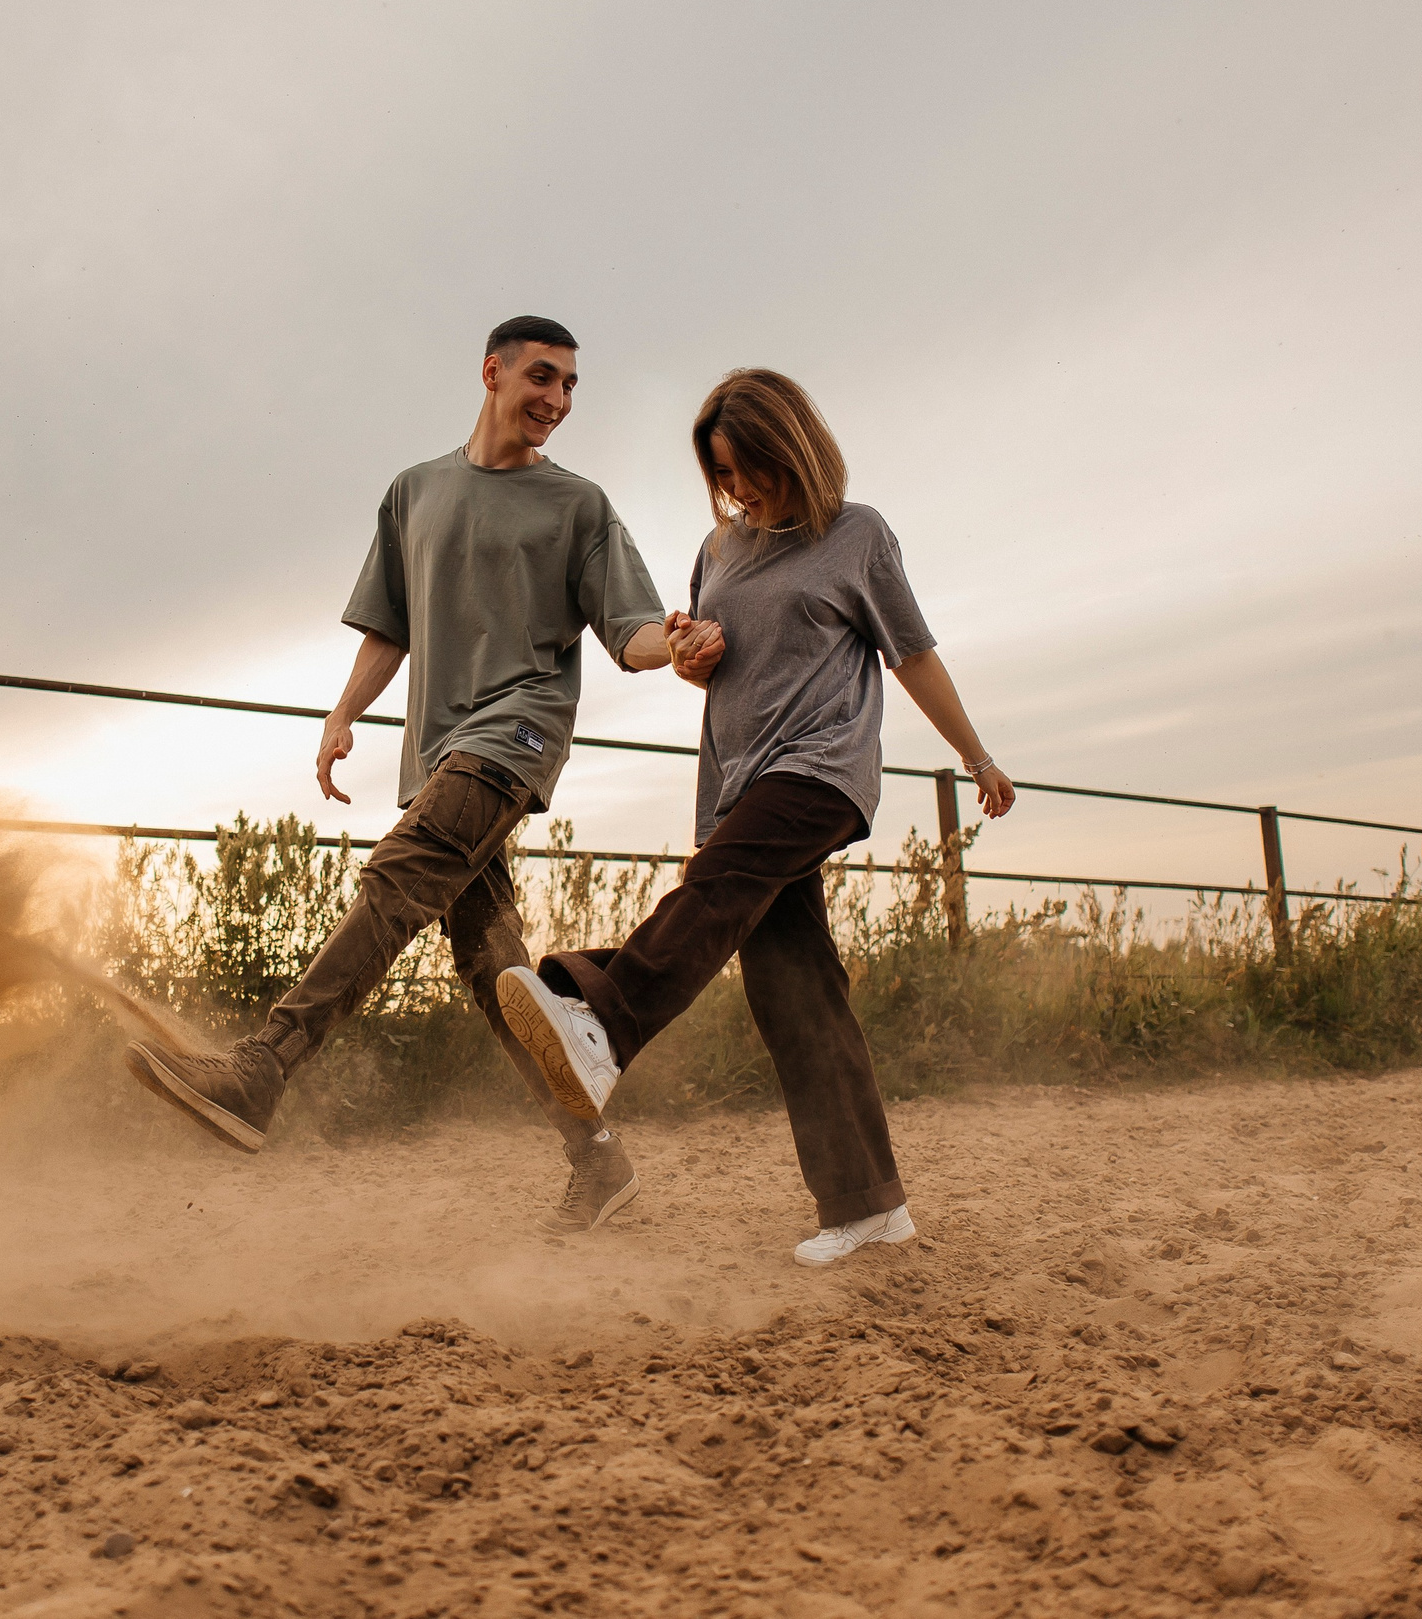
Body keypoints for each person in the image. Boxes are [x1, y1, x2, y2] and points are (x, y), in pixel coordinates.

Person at [129, 317, 718, 1235]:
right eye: (542, 378)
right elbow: (391, 626)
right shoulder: (415, 492)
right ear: (492, 372)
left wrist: (670, 644)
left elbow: (630, 627)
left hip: (517, 731)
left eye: (570, 387)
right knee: (494, 969)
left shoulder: (580, 506)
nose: (557, 401)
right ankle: (599, 1161)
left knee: (405, 870)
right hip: (439, 748)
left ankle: (264, 1066)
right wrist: (340, 714)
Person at [497, 367, 1015, 1267]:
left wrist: (977, 756)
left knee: (719, 883)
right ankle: (868, 1205)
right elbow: (706, 662)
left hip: (820, 768)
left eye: (750, 468)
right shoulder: (717, 549)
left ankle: (604, 1019)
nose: (738, 489)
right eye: (723, 474)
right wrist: (691, 655)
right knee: (796, 995)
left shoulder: (857, 536)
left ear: (793, 448)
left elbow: (914, 654)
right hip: (737, 781)